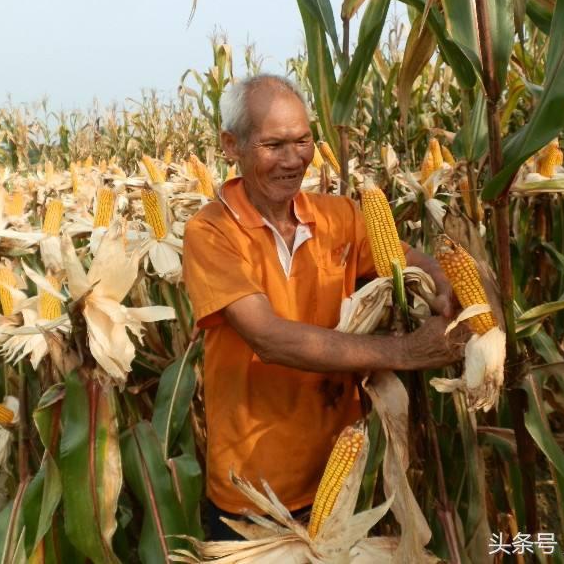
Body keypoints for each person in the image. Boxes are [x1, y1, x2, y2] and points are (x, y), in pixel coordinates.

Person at [181, 74, 467, 540]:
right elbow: (269, 338)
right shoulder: (210, 232)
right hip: (254, 492)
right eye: (274, 145)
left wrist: (450, 292)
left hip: (343, 475)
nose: (293, 160)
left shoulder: (340, 217)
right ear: (231, 145)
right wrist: (409, 352)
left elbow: (412, 263)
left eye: (304, 140)